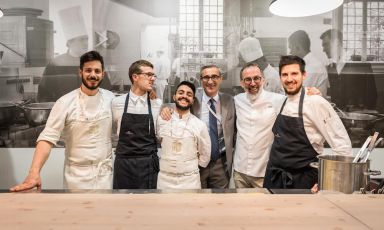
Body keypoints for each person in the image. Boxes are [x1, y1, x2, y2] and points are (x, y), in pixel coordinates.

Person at [10, 50, 115, 191]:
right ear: (80, 72)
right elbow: (47, 138)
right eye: (88, 70)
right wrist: (33, 173)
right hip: (76, 177)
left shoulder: (112, 99)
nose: (92, 75)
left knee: (103, 212)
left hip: (105, 176)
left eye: (97, 71)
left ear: (103, 74)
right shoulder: (65, 102)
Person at [263, 55, 352, 190]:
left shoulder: (316, 102)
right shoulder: (282, 102)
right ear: (280, 77)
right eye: (284, 74)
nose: (289, 79)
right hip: (275, 178)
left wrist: (328, 181)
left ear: (304, 75)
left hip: (302, 182)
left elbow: (342, 146)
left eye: (294, 74)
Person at [233, 62, 320, 189]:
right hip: (240, 172)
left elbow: (297, 98)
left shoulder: (278, 100)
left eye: (256, 78)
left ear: (263, 79)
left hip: (264, 172)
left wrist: (312, 92)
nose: (252, 83)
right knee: (243, 208)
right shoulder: (237, 100)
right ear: (242, 83)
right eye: (248, 79)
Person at [38, 6, 111, 102]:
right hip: (64, 112)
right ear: (70, 43)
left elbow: (106, 90)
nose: (86, 43)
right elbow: (44, 94)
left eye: (87, 39)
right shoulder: (56, 63)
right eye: (82, 39)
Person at [112, 60, 162, 189]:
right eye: (149, 75)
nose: (153, 79)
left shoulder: (157, 104)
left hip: (148, 164)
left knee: (148, 205)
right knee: (122, 204)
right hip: (124, 165)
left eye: (154, 75)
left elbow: (161, 135)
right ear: (135, 77)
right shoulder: (116, 103)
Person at [156, 81, 211, 189]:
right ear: (174, 97)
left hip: (190, 180)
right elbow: (159, 139)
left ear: (193, 100)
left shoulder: (199, 125)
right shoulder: (162, 120)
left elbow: (205, 154)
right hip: (164, 179)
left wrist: (187, 167)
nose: (184, 96)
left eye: (189, 94)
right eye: (181, 93)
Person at [192, 65, 236, 188]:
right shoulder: (193, 101)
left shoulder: (230, 101)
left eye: (215, 77)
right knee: (196, 200)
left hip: (220, 164)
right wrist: (166, 109)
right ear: (201, 80)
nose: (210, 81)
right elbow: (176, 107)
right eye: (206, 77)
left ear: (221, 79)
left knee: (220, 201)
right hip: (197, 163)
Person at [320, 29, 377, 111]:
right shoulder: (330, 67)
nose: (323, 49)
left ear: (336, 42)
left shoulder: (360, 62)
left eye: (326, 44)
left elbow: (372, 95)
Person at [288, 30, 328, 97]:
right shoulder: (306, 65)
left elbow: (297, 93)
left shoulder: (314, 66)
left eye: (291, 48)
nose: (290, 52)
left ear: (298, 47)